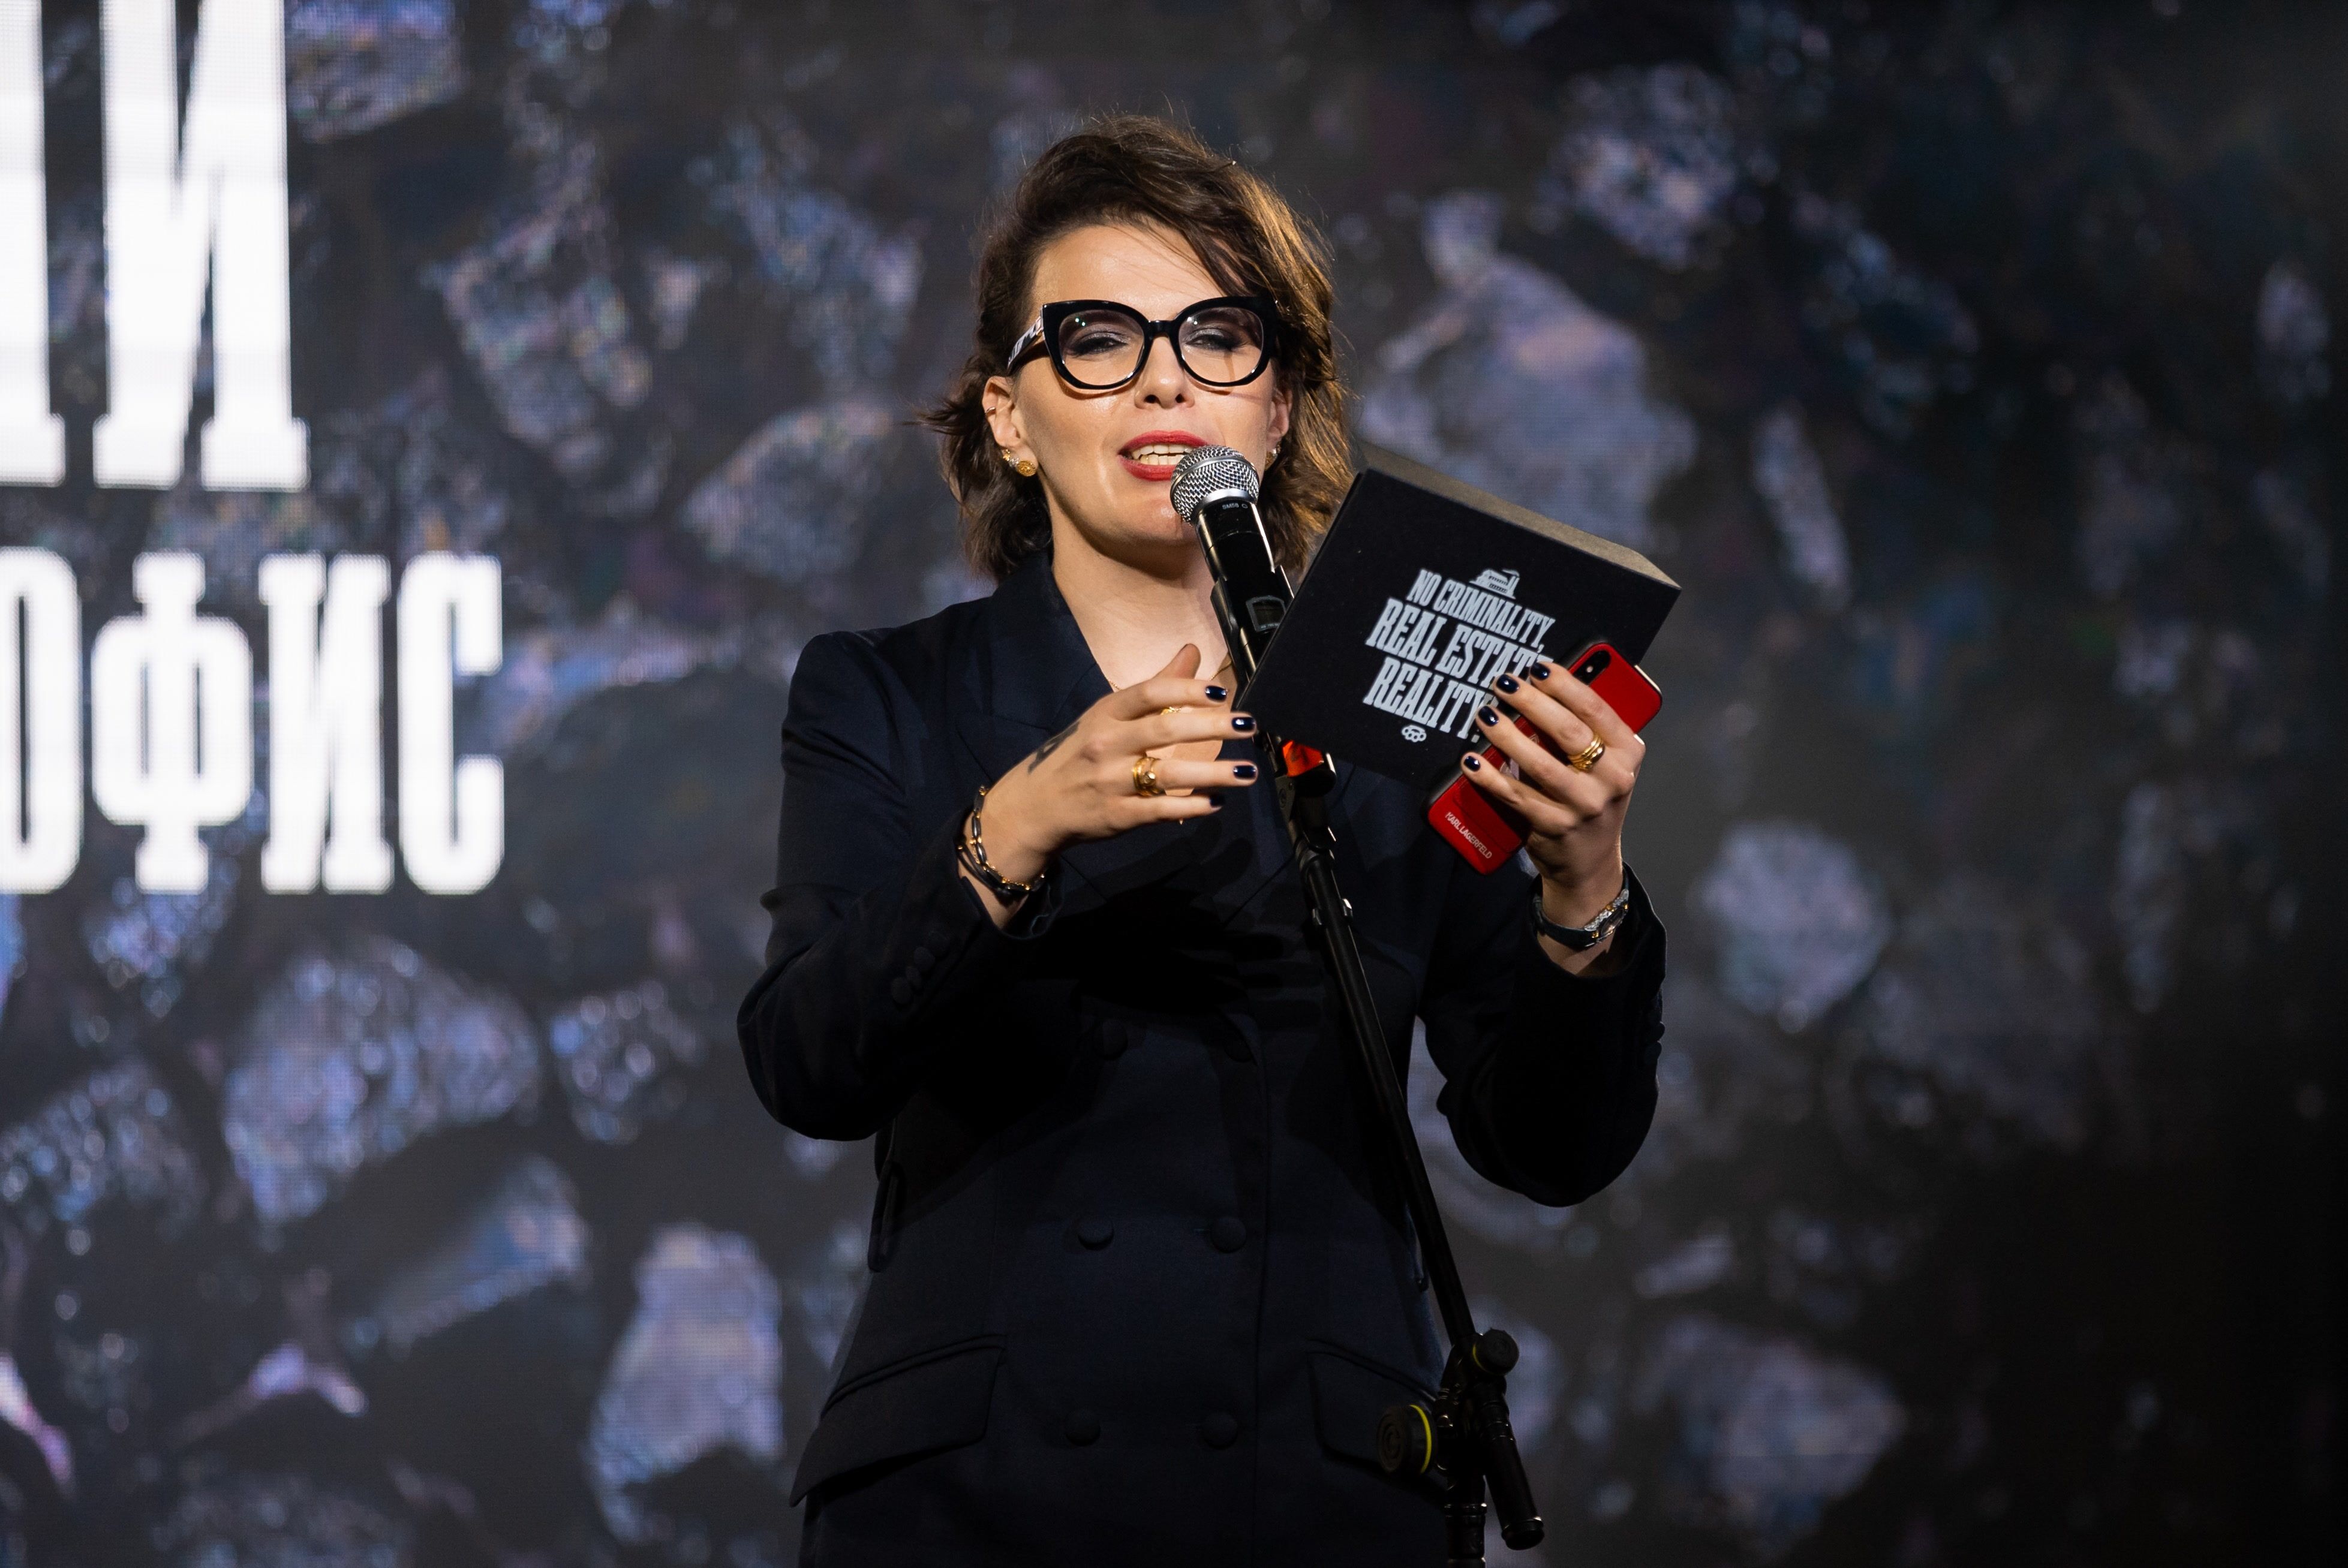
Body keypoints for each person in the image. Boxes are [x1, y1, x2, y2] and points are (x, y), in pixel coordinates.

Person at [736, 115, 1666, 1566]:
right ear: (1006, 415)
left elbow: (1546, 1147)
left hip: (1308, 1489)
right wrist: (1017, 825)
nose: (1163, 376)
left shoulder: (1396, 715)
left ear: (1278, 408)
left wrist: (1583, 883)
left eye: (1218, 338)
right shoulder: (893, 694)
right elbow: (810, 1063)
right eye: (1097, 340)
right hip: (975, 1493)